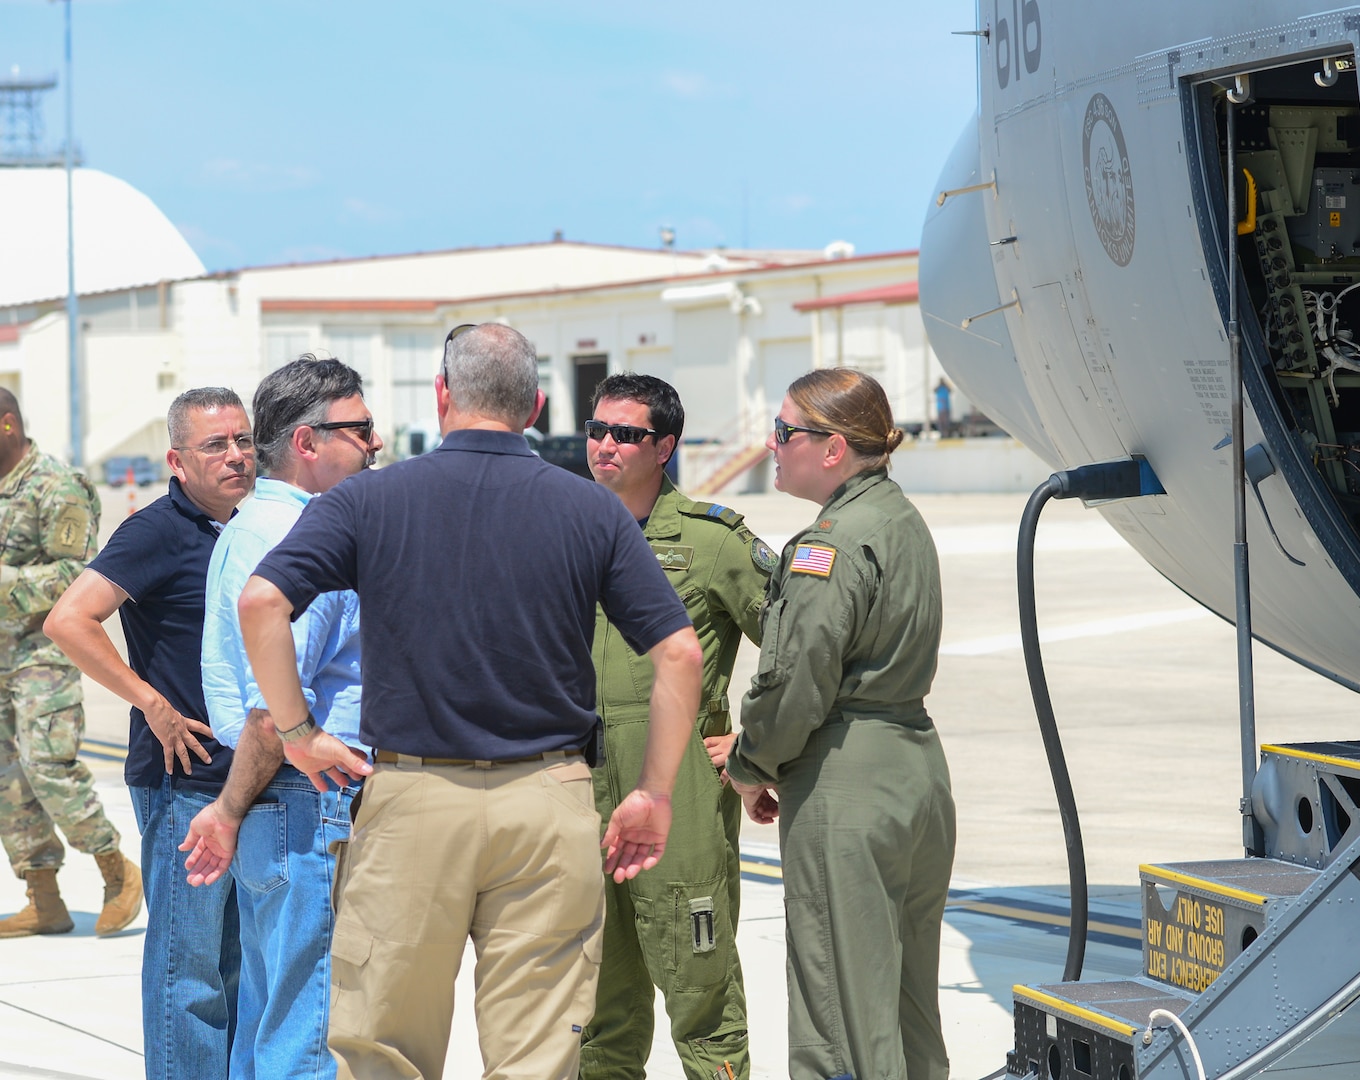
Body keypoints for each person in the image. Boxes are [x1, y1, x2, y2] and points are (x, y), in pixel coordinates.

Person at [236, 323, 704, 1079]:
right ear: (537, 405)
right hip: (548, 803)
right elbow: (680, 653)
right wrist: (653, 792)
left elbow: (261, 603)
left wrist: (297, 732)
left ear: (442, 394)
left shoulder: (367, 499)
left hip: (413, 801)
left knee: (384, 1046)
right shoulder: (591, 510)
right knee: (536, 1053)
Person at [726, 369, 957, 1080]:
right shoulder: (899, 518)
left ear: (832, 449)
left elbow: (796, 680)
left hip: (846, 782)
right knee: (906, 1004)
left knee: (840, 1016)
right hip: (915, 770)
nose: (774, 445)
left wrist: (748, 764)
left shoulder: (829, 542)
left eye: (786, 432)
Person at [181, 357, 381, 1079]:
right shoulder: (301, 536)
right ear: (306, 440)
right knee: (310, 1030)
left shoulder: (253, 523)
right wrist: (232, 808)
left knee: (271, 1020)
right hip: (308, 797)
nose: (375, 442)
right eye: (358, 429)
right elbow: (276, 704)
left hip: (276, 800)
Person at [45, 388, 253, 1080]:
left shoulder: (257, 526)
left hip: (255, 783)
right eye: (215, 446)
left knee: (238, 967)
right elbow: (69, 619)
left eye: (243, 440)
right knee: (188, 973)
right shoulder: (156, 530)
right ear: (177, 460)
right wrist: (150, 703)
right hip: (185, 783)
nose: (236, 456)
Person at [580, 374, 774, 1080]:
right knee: (597, 996)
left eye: (625, 434)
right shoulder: (566, 530)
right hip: (579, 781)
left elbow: (800, 638)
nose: (605, 445)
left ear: (664, 446)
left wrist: (756, 744)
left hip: (680, 788)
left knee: (699, 985)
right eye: (596, 429)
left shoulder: (710, 542)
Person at [0, 388, 142, 939]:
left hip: (43, 654)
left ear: (8, 424)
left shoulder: (57, 486)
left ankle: (115, 871)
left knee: (47, 767)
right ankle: (44, 899)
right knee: (8, 781)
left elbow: (80, 575)